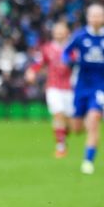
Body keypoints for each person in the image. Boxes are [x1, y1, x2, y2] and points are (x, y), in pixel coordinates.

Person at [63, 4, 104, 175]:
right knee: (76, 128)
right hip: (80, 86)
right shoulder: (80, 36)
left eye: (99, 16)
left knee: (94, 120)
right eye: (93, 16)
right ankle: (72, 126)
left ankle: (88, 161)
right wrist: (69, 60)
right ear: (88, 18)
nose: (96, 19)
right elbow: (66, 53)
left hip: (100, 86)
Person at [25, 22, 73, 157]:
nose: (59, 34)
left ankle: (62, 134)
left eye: (61, 32)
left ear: (67, 33)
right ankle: (61, 146)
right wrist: (31, 71)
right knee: (58, 114)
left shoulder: (73, 48)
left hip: (70, 88)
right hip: (53, 87)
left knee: (70, 123)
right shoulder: (47, 48)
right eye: (56, 32)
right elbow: (38, 63)